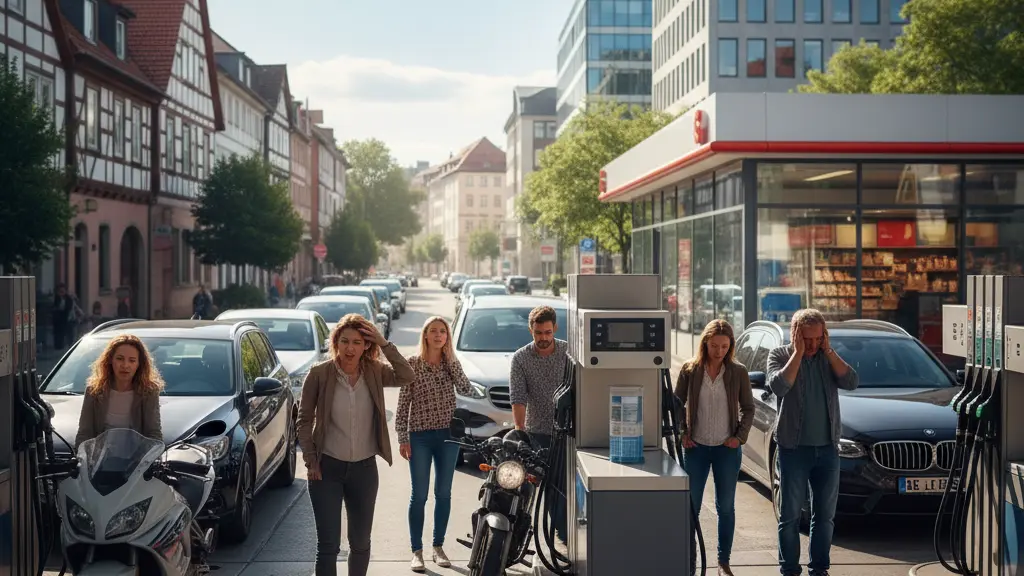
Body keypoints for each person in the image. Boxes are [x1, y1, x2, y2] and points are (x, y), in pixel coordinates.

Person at [297, 313, 415, 576]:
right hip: (326, 469)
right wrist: (310, 459)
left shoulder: (375, 371)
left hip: (364, 470)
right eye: (345, 341)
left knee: (360, 544)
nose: (350, 348)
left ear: (366, 346)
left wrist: (384, 343)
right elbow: (304, 420)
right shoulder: (319, 374)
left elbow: (407, 376)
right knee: (328, 546)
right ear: (336, 343)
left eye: (358, 342)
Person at [766, 309, 859, 576]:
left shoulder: (827, 357)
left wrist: (829, 351)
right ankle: (789, 569)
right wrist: (797, 354)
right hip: (793, 449)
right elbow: (780, 386)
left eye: (818, 338)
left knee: (825, 516)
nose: (813, 344)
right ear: (795, 335)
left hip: (827, 449)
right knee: (790, 515)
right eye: (807, 339)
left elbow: (851, 381)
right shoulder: (780, 355)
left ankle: (819, 569)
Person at [674, 320, 756, 576]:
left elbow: (749, 408)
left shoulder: (738, 372)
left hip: (726, 449)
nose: (719, 351)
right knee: (691, 507)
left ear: (730, 346)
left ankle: (723, 562)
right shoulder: (690, 370)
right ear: (705, 343)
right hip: (696, 447)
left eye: (724, 346)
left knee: (726, 507)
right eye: (714, 346)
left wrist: (739, 437)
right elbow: (677, 403)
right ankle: (690, 562)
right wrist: (683, 433)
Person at [396, 316, 474, 572]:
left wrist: (451, 360)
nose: (439, 335)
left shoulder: (450, 363)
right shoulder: (413, 364)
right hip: (419, 437)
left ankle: (438, 547)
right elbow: (402, 403)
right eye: (434, 331)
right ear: (426, 335)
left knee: (443, 493)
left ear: (447, 337)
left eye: (443, 331)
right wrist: (402, 437)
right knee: (419, 495)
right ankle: (416, 551)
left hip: (448, 437)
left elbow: (466, 388)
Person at [508, 305, 568, 543]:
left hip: (568, 430)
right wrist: (520, 430)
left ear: (555, 329)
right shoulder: (521, 358)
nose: (543, 338)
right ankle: (556, 533)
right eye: (538, 333)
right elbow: (518, 397)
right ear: (530, 330)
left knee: (564, 486)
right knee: (541, 487)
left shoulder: (568, 352)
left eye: (547, 332)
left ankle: (566, 532)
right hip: (538, 431)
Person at [76, 334, 164, 448]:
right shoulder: (94, 390)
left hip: (136, 460)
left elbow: (154, 433)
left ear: (139, 364)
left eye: (132, 360)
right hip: (100, 460)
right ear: (110, 360)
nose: (125, 365)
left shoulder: (148, 392)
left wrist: (150, 460)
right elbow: (84, 433)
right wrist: (83, 459)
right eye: (120, 358)